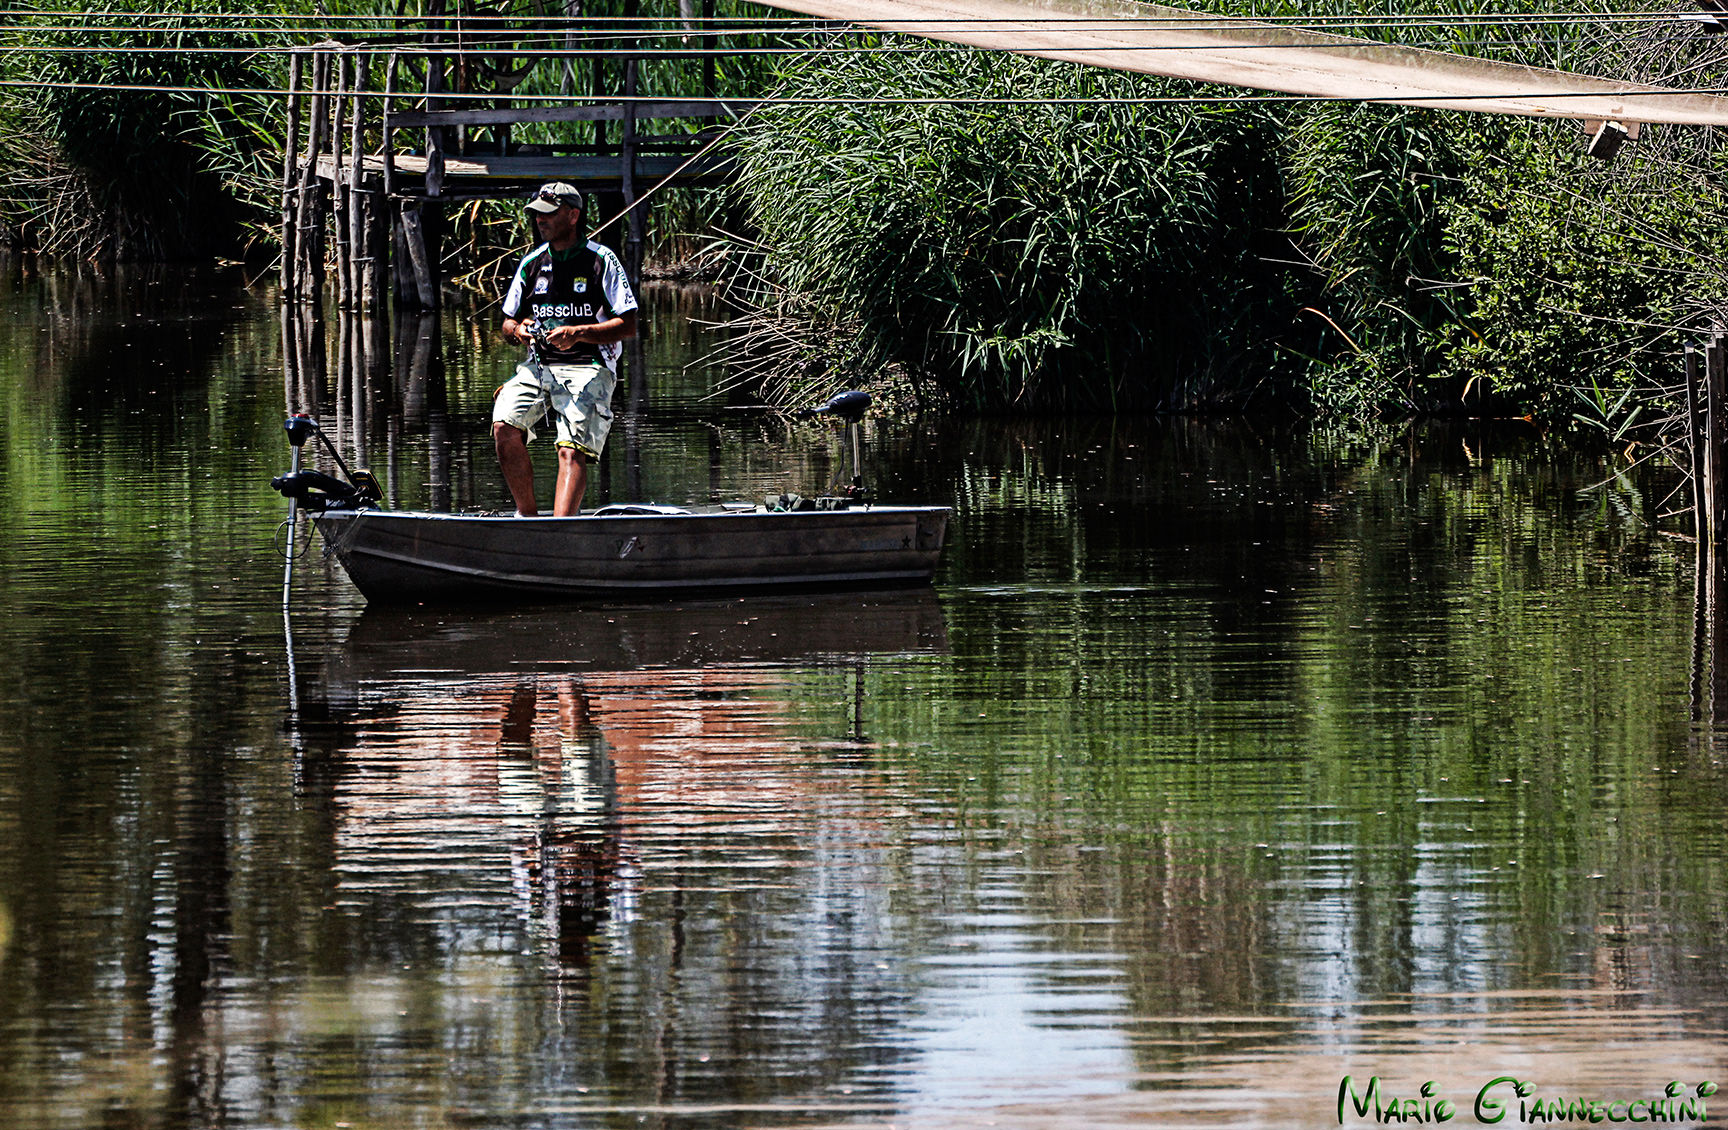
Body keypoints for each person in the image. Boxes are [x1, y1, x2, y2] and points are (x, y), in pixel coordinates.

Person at [493, 182, 639, 516]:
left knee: (570, 450)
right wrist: (519, 330)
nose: (540, 221)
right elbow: (506, 323)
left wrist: (579, 333)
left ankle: (561, 529)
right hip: (538, 367)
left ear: (573, 216)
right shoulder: (532, 263)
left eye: (549, 215)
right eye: (536, 216)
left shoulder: (601, 260)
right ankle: (528, 519)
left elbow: (628, 326)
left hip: (590, 366)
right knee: (504, 426)